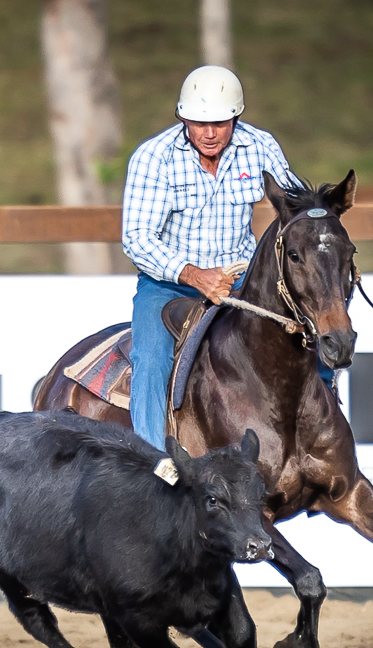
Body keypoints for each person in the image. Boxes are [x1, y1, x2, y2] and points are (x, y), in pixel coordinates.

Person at [121, 65, 301, 450]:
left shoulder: (260, 146)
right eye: (199, 123)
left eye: (219, 123)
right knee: (150, 360)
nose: (209, 133)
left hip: (242, 278)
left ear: (235, 118)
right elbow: (136, 238)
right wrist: (194, 275)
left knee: (303, 331)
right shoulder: (154, 157)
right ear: (183, 118)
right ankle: (152, 459)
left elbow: (294, 203)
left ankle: (316, 435)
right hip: (168, 285)